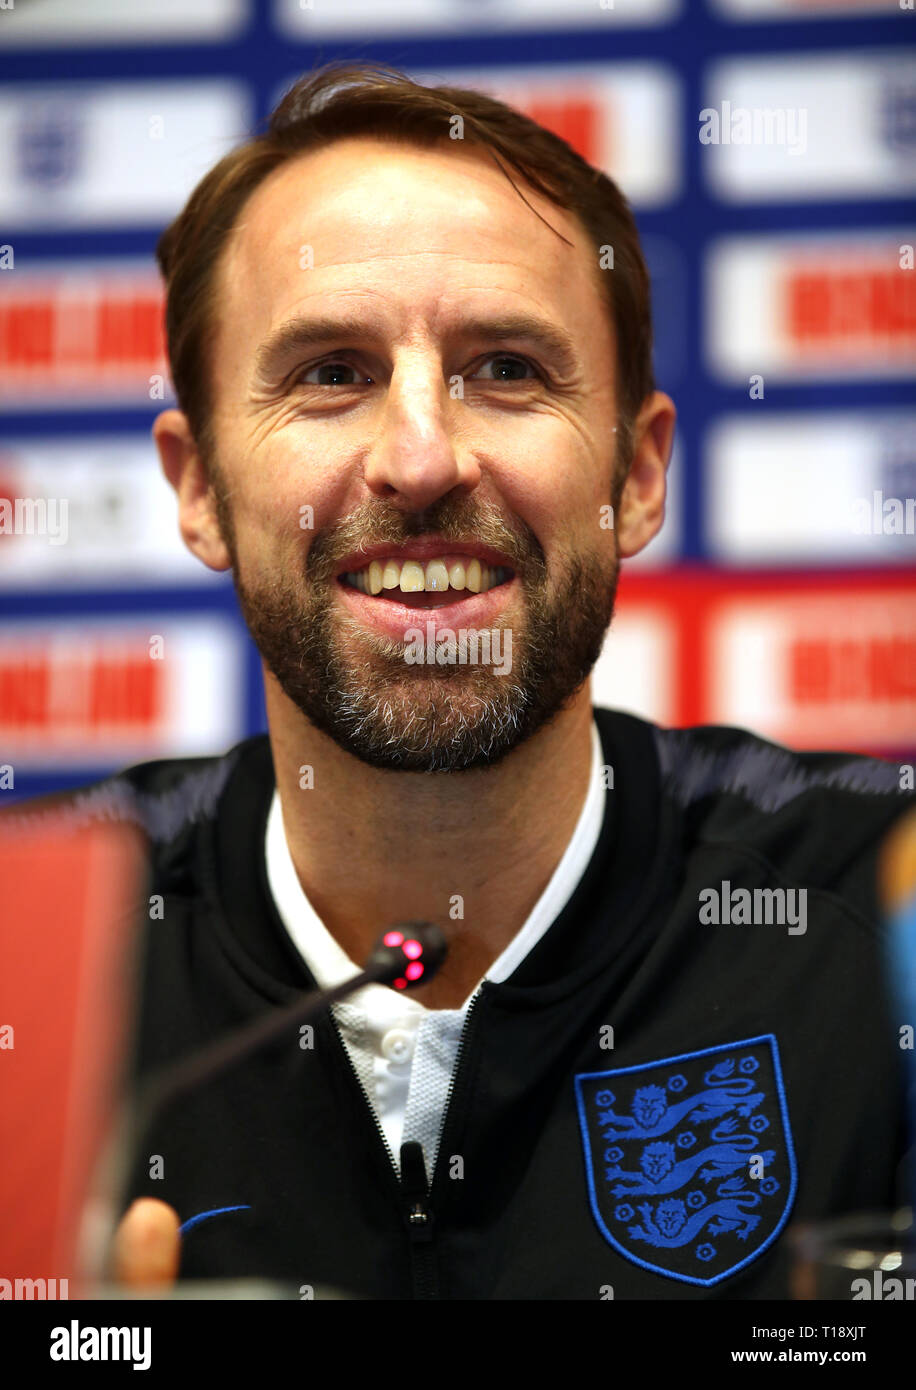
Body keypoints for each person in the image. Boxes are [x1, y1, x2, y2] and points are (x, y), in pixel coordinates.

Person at [21, 62, 916, 1299]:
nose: (422, 456)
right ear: (197, 488)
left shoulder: (880, 907)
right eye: (330, 372)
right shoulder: (35, 964)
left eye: (504, 367)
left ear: (640, 476)